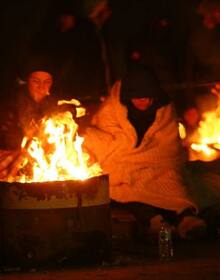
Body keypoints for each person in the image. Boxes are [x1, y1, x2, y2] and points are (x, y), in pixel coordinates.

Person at [84, 63, 207, 240]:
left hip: (158, 166)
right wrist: (128, 149)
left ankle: (186, 218)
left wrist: (149, 160)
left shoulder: (163, 109)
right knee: (129, 190)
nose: (146, 102)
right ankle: (154, 221)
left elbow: (168, 147)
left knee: (171, 184)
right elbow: (103, 142)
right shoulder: (111, 110)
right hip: (123, 166)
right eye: (140, 98)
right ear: (129, 96)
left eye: (149, 97)